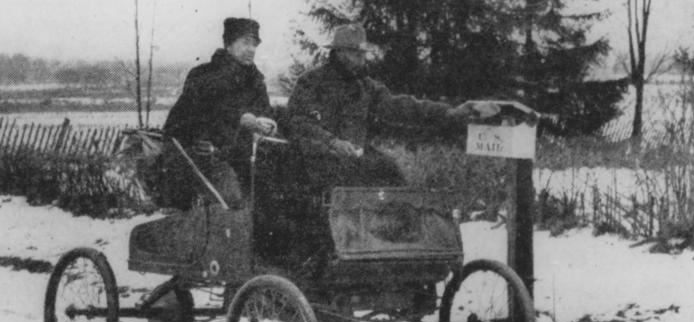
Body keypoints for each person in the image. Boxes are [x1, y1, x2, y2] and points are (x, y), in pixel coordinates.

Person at [286, 22, 499, 193]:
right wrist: (332, 142)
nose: (361, 60)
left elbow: (402, 107)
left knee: (390, 173)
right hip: (316, 162)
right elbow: (298, 121)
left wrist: (450, 112)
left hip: (353, 160)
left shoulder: (366, 87)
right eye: (355, 54)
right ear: (339, 53)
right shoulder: (311, 82)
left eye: (362, 54)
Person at [157, 17, 275, 210]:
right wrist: (240, 119)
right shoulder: (204, 75)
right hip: (196, 150)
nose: (251, 49)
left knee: (266, 199)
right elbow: (199, 114)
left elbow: (265, 110)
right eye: (245, 42)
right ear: (229, 44)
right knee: (231, 200)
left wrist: (268, 124)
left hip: (236, 154)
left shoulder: (255, 80)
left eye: (254, 44)